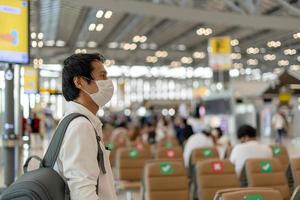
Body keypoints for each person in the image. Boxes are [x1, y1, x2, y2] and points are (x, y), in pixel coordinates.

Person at [55, 53, 117, 199]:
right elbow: (82, 192)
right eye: (102, 76)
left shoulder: (79, 121)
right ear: (79, 82)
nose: (108, 82)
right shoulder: (80, 126)